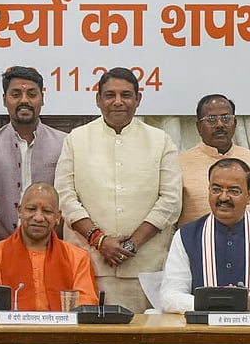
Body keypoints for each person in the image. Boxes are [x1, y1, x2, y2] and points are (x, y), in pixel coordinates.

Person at [55, 67, 181, 313]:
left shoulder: (161, 140)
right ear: (98, 99)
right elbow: (65, 196)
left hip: (145, 268)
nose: (118, 102)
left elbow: (171, 201)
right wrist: (100, 241)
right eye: (110, 95)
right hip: (88, 265)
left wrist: (132, 244)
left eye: (126, 95)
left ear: (138, 99)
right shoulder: (76, 139)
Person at [160, 159, 250, 313]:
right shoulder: (186, 236)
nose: (223, 197)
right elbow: (169, 296)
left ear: (249, 195)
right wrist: (211, 303)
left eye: (234, 191)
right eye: (216, 189)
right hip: (202, 334)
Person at [0, 183, 98, 311]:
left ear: (58, 217)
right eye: (31, 209)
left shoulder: (78, 258)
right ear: (20, 211)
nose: (38, 217)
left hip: (62, 330)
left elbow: (86, 306)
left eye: (47, 211)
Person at [0, 66, 66, 244]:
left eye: (32, 94)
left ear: (42, 99)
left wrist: (47, 242)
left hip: (53, 248)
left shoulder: (65, 144)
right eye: (16, 94)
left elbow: (69, 199)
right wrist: (9, 245)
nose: (24, 100)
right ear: (4, 100)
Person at [178, 94, 250, 226]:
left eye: (226, 118)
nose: (220, 124)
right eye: (211, 119)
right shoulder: (179, 164)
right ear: (199, 127)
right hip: (197, 244)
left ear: (235, 123)